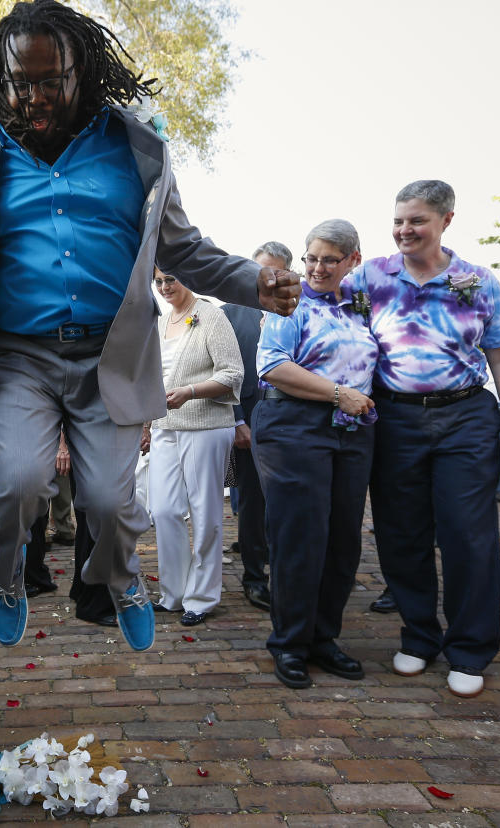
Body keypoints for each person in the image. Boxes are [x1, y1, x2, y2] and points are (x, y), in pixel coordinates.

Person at [0, 0, 300, 652]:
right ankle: (8, 574)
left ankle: (121, 577)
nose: (34, 97)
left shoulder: (137, 145)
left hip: (110, 358)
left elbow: (184, 250)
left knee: (104, 497)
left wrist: (255, 284)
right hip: (19, 358)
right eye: (18, 82)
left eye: (52, 80)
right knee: (15, 483)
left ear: (83, 72)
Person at [350, 180, 500, 699]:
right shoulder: (371, 276)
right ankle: (419, 634)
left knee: (468, 534)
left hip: (466, 417)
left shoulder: (478, 280)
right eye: (399, 220)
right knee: (400, 531)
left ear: (446, 220)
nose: (405, 230)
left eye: (418, 220)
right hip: (395, 418)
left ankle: (470, 648)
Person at [253, 220, 375, 689]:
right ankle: (290, 643)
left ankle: (325, 638)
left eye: (329, 259)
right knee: (300, 539)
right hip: (292, 428)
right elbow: (273, 365)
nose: (317, 268)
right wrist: (337, 392)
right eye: (311, 258)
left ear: (352, 261)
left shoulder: (361, 307)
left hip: (352, 433)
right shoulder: (291, 302)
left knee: (344, 541)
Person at [148, 270, 242, 625]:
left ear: (188, 277)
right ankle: (173, 592)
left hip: (206, 425)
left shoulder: (211, 316)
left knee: (205, 514)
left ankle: (201, 598)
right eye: (158, 282)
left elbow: (233, 374)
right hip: (164, 425)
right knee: (163, 509)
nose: (165, 287)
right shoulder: (160, 323)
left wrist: (190, 392)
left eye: (171, 278)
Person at [222, 241, 291, 613]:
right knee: (252, 503)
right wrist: (236, 421)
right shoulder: (227, 314)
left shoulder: (300, 310)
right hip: (248, 420)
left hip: (294, 420)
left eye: (277, 271)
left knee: (289, 503)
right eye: (261, 270)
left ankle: (288, 572)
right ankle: (254, 576)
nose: (269, 278)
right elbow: (220, 371)